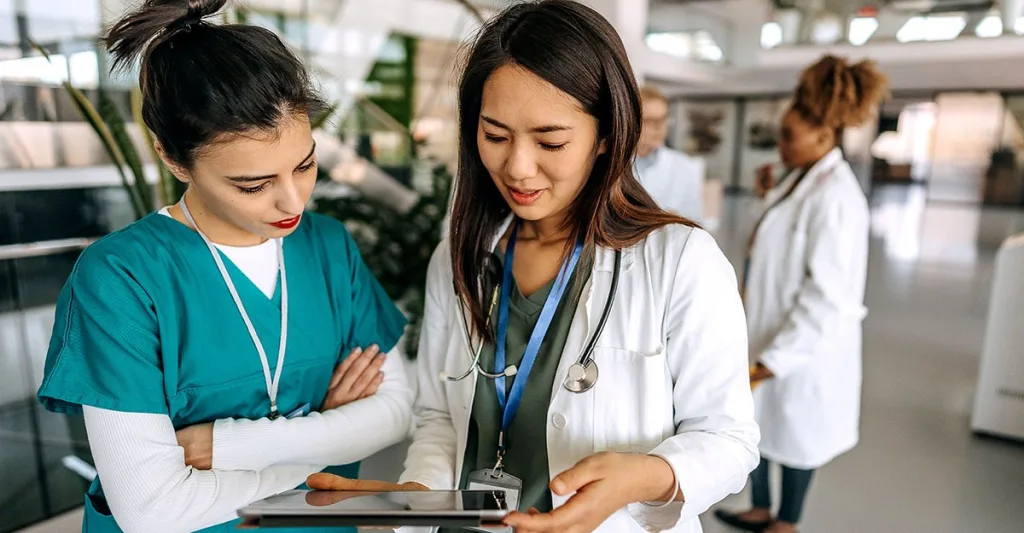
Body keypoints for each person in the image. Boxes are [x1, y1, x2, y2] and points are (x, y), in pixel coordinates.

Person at [307, 2, 759, 532]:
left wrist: (645, 476)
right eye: (495, 136)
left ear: (607, 136)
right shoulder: (460, 256)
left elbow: (729, 441)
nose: (517, 167)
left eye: (551, 141)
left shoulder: (680, 261)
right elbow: (438, 419)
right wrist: (421, 496)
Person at [35, 1, 413, 531]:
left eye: (304, 165)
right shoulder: (120, 278)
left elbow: (395, 411)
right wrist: (326, 439)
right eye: (253, 185)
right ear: (172, 157)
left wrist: (224, 444)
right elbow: (153, 510)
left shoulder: (328, 246)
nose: (292, 203)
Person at [714, 55, 888, 533]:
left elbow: (829, 298)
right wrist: (765, 196)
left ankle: (786, 522)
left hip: (804, 348)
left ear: (824, 137)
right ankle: (761, 508)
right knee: (764, 429)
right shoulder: (799, 180)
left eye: (789, 138)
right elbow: (769, 245)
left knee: (797, 436)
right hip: (769, 330)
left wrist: (774, 360)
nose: (781, 146)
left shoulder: (836, 198)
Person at [634, 85, 705, 223]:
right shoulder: (611, 165)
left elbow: (695, 222)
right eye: (651, 121)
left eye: (664, 119)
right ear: (632, 121)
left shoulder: (685, 166)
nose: (660, 127)